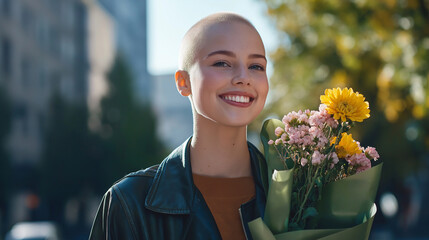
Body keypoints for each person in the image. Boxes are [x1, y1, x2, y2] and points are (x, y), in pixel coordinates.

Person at [89, 12, 269, 240]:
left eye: (256, 66)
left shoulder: (299, 192)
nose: (244, 78)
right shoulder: (128, 202)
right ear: (183, 82)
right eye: (222, 63)